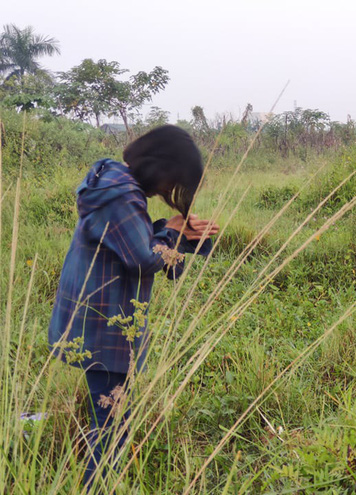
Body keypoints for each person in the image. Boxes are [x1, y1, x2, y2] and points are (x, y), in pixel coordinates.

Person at [48, 125, 219, 489]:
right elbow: (143, 258)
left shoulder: (116, 184)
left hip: (98, 318)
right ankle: (99, 485)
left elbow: (130, 241)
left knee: (110, 416)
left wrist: (178, 235)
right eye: (175, 180)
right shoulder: (121, 196)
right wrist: (172, 231)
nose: (170, 190)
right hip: (104, 325)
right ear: (161, 167)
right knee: (109, 424)